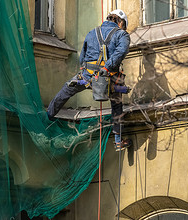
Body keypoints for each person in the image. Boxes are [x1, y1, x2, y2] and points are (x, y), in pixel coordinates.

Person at [47, 9, 131, 151]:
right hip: (109, 79)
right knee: (116, 104)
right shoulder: (122, 34)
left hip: (87, 78)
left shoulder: (92, 33)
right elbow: (121, 52)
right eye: (123, 25)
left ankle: (47, 117)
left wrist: (87, 72)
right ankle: (118, 141)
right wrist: (107, 68)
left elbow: (83, 57)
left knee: (67, 89)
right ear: (121, 22)